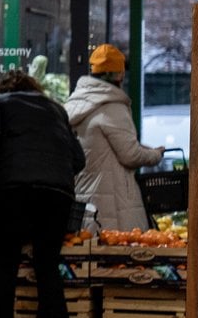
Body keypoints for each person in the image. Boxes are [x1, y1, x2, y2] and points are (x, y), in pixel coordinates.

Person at [0, 69, 85, 318]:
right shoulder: (56, 109)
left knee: (5, 268)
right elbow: (79, 159)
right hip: (57, 195)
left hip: (11, 191)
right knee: (47, 267)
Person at [66, 44, 164, 234]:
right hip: (112, 205)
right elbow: (131, 155)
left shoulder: (74, 104)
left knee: (88, 254)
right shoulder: (112, 107)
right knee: (117, 255)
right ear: (120, 75)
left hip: (81, 200)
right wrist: (155, 154)